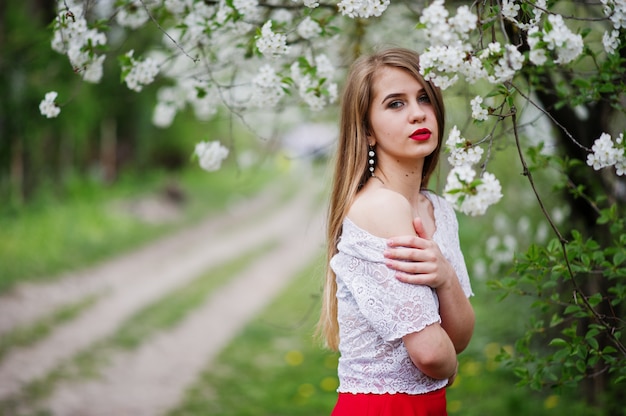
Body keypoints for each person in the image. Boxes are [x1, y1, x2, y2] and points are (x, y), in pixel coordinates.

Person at [318, 47, 475, 415]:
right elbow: (433, 354)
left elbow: (461, 336)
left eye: (424, 98)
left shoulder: (437, 209)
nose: (418, 113)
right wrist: (449, 369)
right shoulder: (381, 207)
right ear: (368, 131)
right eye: (395, 104)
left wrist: (446, 277)